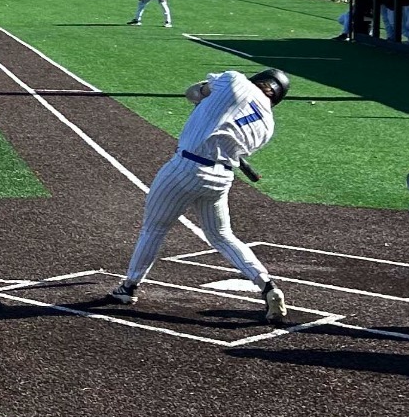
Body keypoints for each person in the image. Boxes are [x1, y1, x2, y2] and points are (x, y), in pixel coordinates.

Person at [107, 67, 293, 325]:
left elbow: (194, 91)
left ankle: (128, 287)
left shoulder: (234, 80)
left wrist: (203, 101)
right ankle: (267, 286)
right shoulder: (268, 125)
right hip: (221, 177)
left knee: (154, 229)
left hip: (185, 167)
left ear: (260, 79)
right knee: (222, 236)